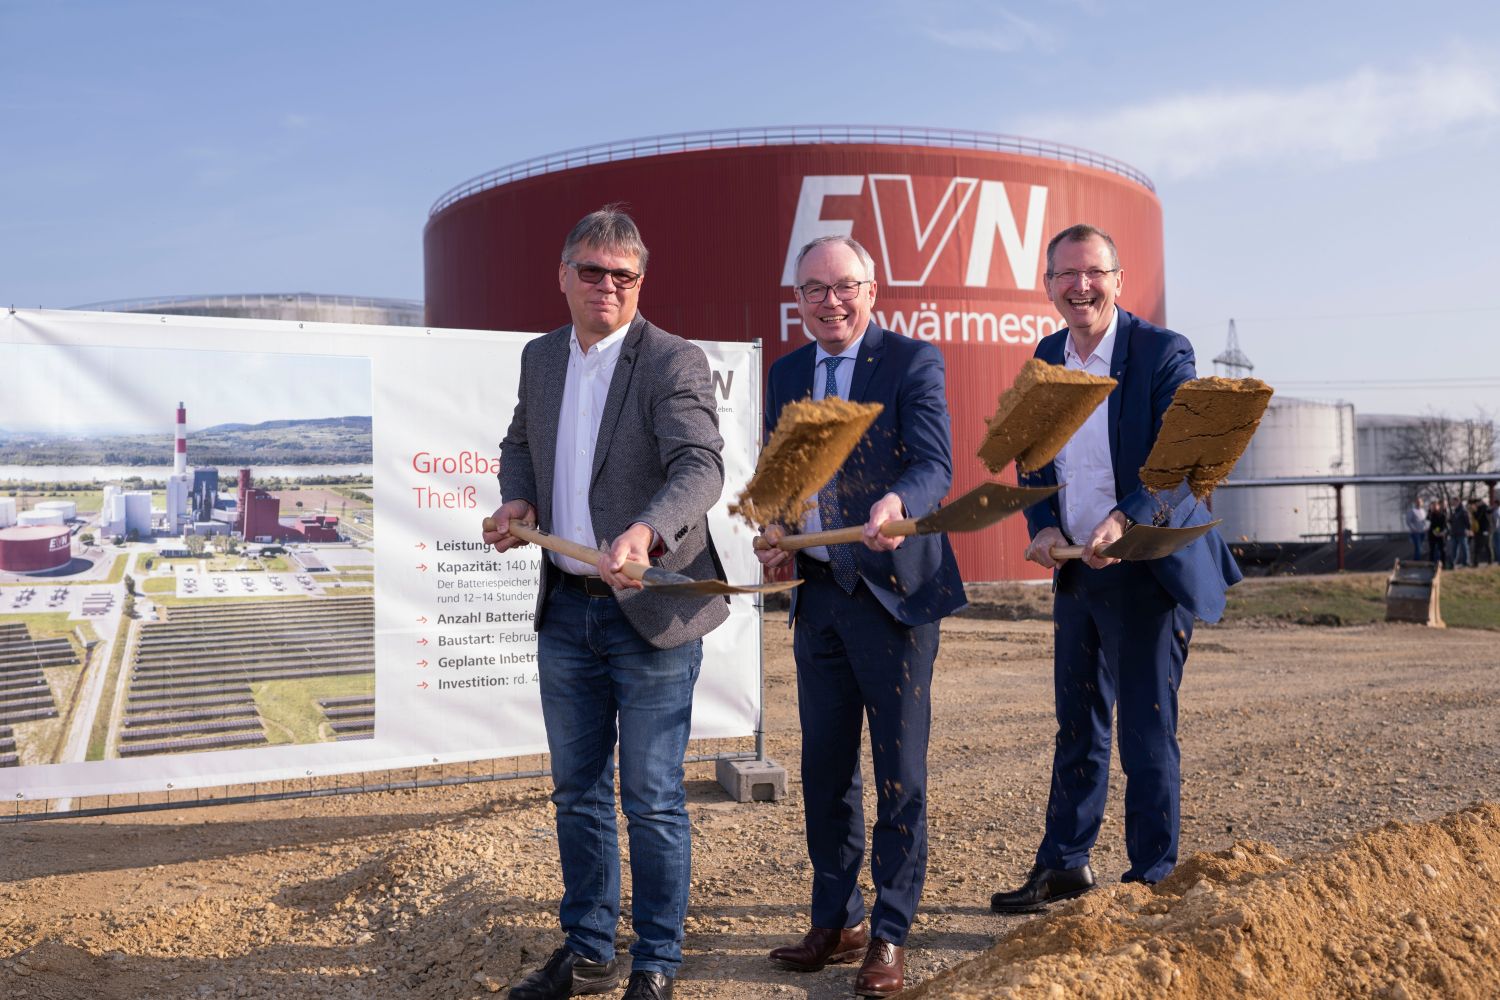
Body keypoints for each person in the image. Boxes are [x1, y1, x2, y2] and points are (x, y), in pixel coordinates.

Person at [482, 206, 727, 1000]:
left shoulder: (672, 361)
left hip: (649, 612)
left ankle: (655, 962)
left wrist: (647, 533)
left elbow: (700, 467)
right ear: (564, 275)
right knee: (577, 793)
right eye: (592, 271)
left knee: (652, 799)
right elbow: (521, 442)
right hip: (566, 607)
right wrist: (518, 498)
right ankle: (588, 951)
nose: (608, 286)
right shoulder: (541, 357)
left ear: (640, 283)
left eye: (625, 275)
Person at [989, 224, 1242, 914]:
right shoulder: (1047, 356)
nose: (1081, 287)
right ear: (1048, 286)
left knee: (1145, 729)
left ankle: (1151, 880)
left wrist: (1124, 519)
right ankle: (1065, 865)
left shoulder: (1162, 352)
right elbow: (1033, 456)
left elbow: (1180, 462)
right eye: (1066, 275)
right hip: (1079, 569)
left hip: (1148, 568)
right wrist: (1042, 525)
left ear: (1118, 281)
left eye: (1094, 273)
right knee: (1077, 725)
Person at [756, 235, 965, 998]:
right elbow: (785, 476)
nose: (831, 302)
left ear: (872, 291)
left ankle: (890, 932)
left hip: (895, 596)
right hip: (819, 597)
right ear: (798, 302)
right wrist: (776, 529)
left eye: (844, 286)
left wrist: (897, 502)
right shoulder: (787, 374)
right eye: (814, 289)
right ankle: (837, 920)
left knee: (899, 775)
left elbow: (935, 464)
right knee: (825, 770)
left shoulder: (911, 362)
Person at [1448, 497, 1472, 568]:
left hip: (1462, 533)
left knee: (1464, 548)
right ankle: (1453, 563)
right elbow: (1451, 521)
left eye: (1454, 502)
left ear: (1458, 502)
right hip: (1454, 533)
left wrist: (1468, 530)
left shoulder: (1463, 511)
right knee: (1454, 549)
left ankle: (1466, 562)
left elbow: (1468, 522)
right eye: (1452, 502)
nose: (1453, 503)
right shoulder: (1454, 511)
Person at [1403, 497, 1428, 561]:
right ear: (1415, 503)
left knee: (1419, 548)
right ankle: (1417, 561)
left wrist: (1426, 528)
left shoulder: (1423, 511)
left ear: (1422, 503)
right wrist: (1413, 529)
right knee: (1418, 547)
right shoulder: (1412, 511)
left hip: (1423, 532)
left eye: (1420, 502)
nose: (1419, 503)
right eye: (1418, 502)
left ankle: (1417, 561)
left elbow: (1424, 521)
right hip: (1415, 533)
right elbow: (1408, 521)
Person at [1427, 500, 1448, 566]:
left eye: (1435, 506)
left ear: (1439, 506)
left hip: (1440, 534)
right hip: (1432, 535)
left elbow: (1443, 525)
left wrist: (1438, 532)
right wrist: (1435, 531)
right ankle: (1431, 564)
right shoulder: (1431, 514)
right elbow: (1430, 523)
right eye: (1433, 506)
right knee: (1432, 550)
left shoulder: (1442, 515)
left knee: (1442, 550)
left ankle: (1443, 564)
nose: (1434, 507)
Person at [1475, 499, 1494, 566]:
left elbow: (1478, 517)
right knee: (1485, 546)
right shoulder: (1482, 508)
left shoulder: (1483, 508)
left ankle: (1488, 561)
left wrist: (1475, 511)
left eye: (1477, 503)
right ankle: (1489, 561)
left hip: (1485, 530)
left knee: (1483, 546)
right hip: (1481, 530)